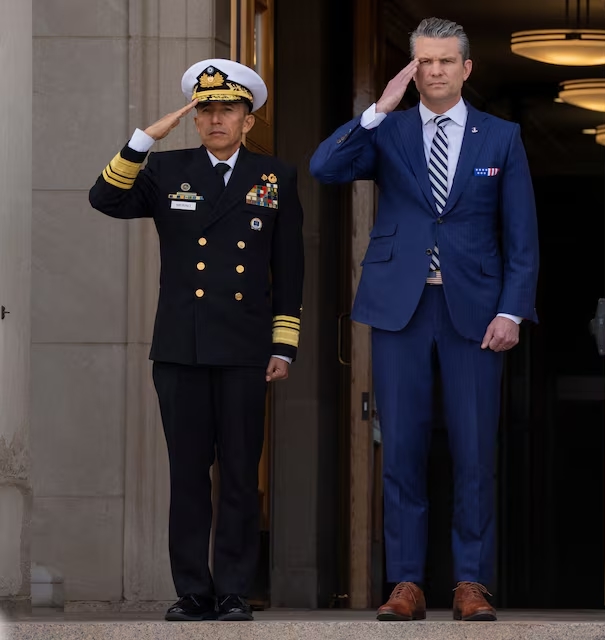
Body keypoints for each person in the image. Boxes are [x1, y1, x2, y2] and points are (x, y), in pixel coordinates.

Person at [310, 17, 539, 622]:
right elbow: (325, 169)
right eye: (424, 63)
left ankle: (470, 583)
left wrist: (513, 308)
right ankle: (407, 582)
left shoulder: (502, 136)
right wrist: (376, 110)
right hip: (400, 308)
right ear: (411, 71)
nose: (434, 71)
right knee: (401, 448)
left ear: (466, 68)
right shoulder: (390, 130)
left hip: (476, 312)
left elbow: (521, 236)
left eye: (445, 61)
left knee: (474, 451)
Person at [88, 59, 305, 622]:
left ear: (246, 120)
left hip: (245, 348)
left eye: (226, 110)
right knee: (187, 473)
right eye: (205, 110)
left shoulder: (275, 176)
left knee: (238, 471)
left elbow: (291, 268)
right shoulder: (165, 170)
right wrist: (142, 140)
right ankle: (192, 590)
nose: (215, 120)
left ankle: (234, 589)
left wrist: (284, 346)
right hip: (181, 347)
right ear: (194, 119)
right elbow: (104, 199)